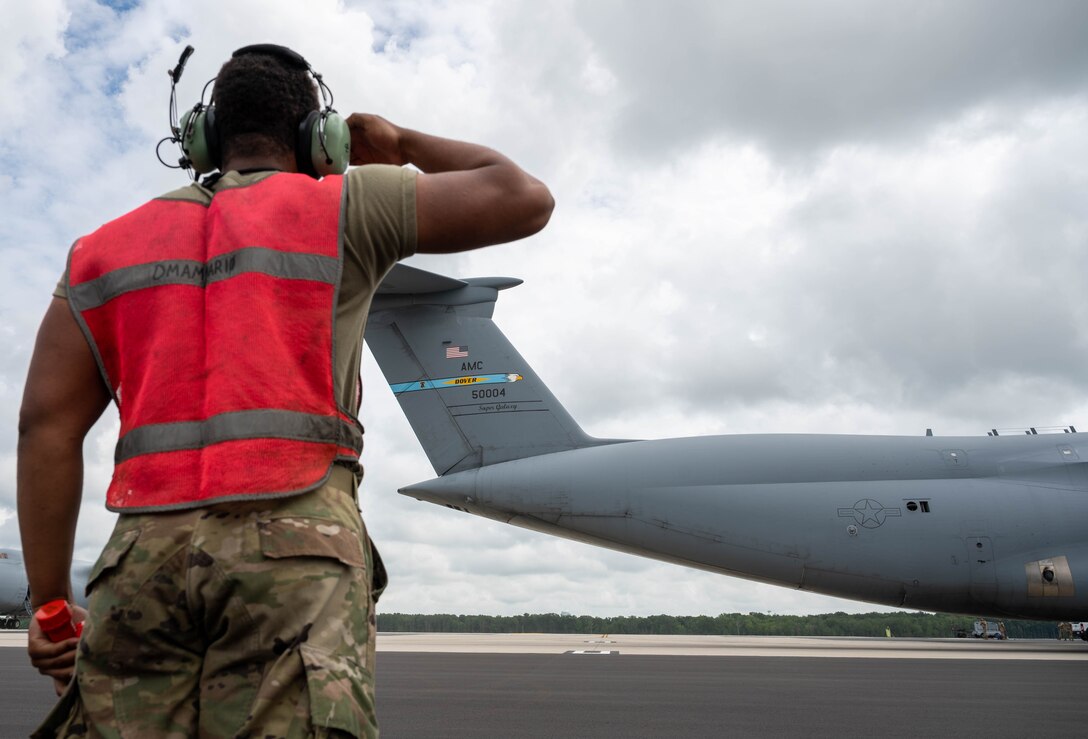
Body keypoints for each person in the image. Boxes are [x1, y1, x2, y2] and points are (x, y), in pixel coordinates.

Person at [17, 44, 553, 738]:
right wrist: (397, 142)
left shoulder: (100, 250)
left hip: (142, 557)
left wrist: (52, 606)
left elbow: (43, 428)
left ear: (205, 136)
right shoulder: (345, 205)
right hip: (296, 544)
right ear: (319, 141)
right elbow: (524, 198)